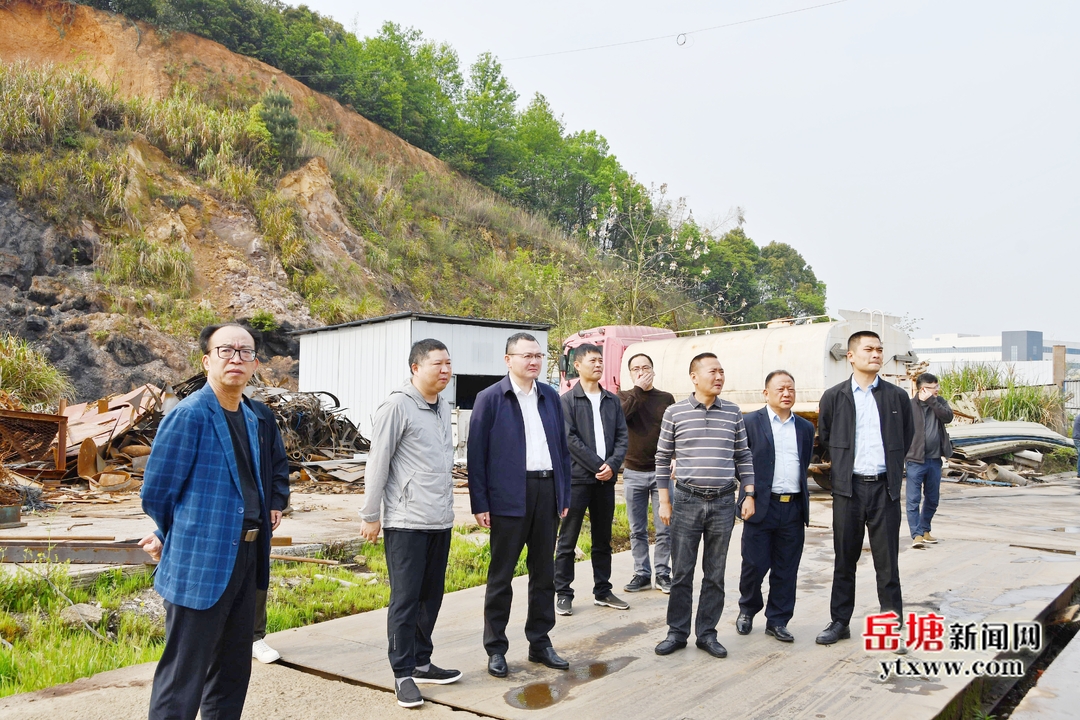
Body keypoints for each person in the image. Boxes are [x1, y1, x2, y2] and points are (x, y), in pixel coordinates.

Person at [139, 323, 283, 720]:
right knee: (183, 673)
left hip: (247, 555)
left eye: (245, 352)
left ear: (255, 364)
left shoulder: (252, 418)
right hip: (200, 559)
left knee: (232, 670)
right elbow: (157, 493)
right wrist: (179, 534)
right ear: (206, 361)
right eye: (226, 351)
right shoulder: (189, 415)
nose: (236, 358)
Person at [360, 339, 461, 708]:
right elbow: (378, 461)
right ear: (416, 368)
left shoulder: (442, 406)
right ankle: (402, 673)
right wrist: (371, 514)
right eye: (438, 364)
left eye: (448, 363)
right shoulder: (397, 406)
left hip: (439, 519)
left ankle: (421, 661)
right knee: (405, 599)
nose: (445, 370)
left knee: (431, 596)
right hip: (406, 521)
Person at [468, 333, 573, 678]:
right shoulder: (490, 398)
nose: (533, 361)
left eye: (538, 356)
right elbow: (476, 455)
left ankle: (540, 642)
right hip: (508, 495)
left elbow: (561, 450)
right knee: (502, 575)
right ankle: (496, 648)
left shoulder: (550, 396)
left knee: (544, 574)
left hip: (547, 491)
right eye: (526, 355)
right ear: (508, 360)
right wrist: (480, 502)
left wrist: (563, 494)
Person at [654, 352, 755, 659]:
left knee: (715, 573)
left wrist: (749, 493)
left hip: (723, 501)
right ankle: (677, 632)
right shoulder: (675, 412)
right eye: (713, 371)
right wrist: (664, 501)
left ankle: (707, 634)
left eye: (722, 371)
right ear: (694, 377)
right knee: (682, 572)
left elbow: (743, 455)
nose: (719, 377)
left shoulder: (733, 412)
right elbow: (662, 458)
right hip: (687, 500)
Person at [815, 331, 914, 646]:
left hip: (885, 489)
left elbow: (907, 435)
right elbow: (826, 436)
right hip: (849, 490)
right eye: (869, 349)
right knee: (845, 560)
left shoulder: (896, 397)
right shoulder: (835, 396)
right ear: (851, 356)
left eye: (879, 349)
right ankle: (839, 622)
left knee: (888, 563)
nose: (876, 354)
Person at [735, 370, 814, 643]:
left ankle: (778, 620)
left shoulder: (805, 427)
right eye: (780, 389)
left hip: (793, 507)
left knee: (786, 568)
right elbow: (739, 462)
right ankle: (747, 610)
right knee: (753, 565)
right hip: (759, 505)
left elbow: (804, 463)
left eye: (791, 389)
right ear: (766, 393)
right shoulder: (749, 422)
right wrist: (748, 494)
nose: (786, 393)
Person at [555, 343, 630, 615]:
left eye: (600, 360)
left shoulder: (612, 401)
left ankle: (603, 590)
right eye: (592, 361)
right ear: (577, 366)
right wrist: (601, 465)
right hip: (577, 480)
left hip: (604, 482)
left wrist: (612, 465)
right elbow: (569, 439)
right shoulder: (566, 401)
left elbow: (622, 437)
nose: (598, 365)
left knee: (603, 539)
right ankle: (563, 593)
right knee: (567, 540)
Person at [618, 352, 676, 594]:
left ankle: (662, 573)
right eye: (636, 369)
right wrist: (638, 391)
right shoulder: (624, 397)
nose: (641, 372)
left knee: (665, 527)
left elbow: (675, 431)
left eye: (646, 367)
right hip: (633, 471)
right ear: (630, 373)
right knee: (637, 529)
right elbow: (620, 418)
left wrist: (676, 457)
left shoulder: (666, 398)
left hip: (661, 473)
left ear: (653, 370)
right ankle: (641, 573)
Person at [249, 392, 291, 665]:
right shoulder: (196, 413)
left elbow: (278, 462)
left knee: (256, 571)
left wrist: (277, 502)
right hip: (219, 515)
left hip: (258, 511)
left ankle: (254, 637)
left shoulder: (261, 415)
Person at [905, 372, 954, 548]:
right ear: (923, 389)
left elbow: (948, 417)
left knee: (932, 498)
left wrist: (932, 401)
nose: (937, 390)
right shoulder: (909, 406)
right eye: (933, 387)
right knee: (913, 499)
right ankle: (916, 534)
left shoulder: (939, 402)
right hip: (915, 460)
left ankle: (925, 529)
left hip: (934, 459)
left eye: (937, 386)